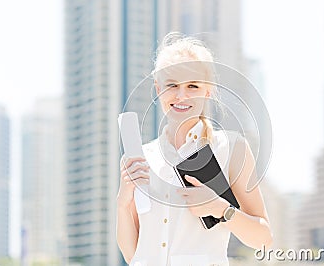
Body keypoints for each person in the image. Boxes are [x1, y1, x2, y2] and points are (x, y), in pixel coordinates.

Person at [116, 32, 272, 266]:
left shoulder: (231, 148)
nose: (182, 95)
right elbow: (133, 256)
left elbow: (263, 239)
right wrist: (123, 201)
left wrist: (220, 208)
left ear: (208, 90)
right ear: (158, 89)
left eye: (192, 85)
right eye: (172, 85)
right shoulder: (141, 158)